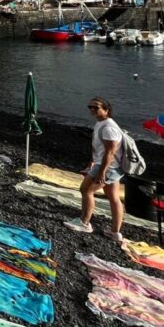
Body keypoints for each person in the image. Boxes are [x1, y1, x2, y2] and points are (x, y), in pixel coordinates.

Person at [64, 97, 125, 243]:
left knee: (86, 190)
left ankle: (84, 223)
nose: (92, 110)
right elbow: (101, 148)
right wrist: (92, 161)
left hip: (108, 166)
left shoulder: (109, 127)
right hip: (111, 166)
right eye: (90, 107)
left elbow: (110, 152)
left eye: (96, 107)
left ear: (106, 110)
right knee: (113, 197)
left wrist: (101, 171)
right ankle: (115, 232)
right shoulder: (102, 123)